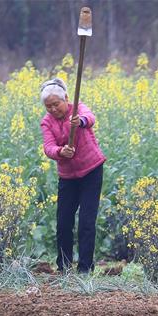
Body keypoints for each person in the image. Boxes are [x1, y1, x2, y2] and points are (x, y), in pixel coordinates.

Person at [40, 78, 106, 273]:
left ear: (66, 99)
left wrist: (81, 121)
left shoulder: (78, 109)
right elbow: (48, 147)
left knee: (86, 221)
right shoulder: (46, 123)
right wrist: (60, 152)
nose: (52, 109)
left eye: (56, 104)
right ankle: (64, 267)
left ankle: (85, 268)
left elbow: (90, 118)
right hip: (68, 176)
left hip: (91, 171)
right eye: (48, 106)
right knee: (63, 222)